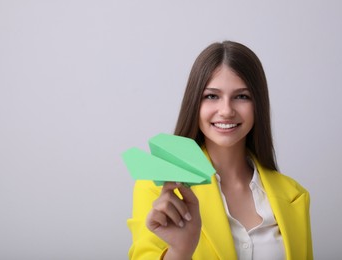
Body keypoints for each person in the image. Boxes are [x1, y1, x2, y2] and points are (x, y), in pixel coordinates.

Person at [127, 40, 313, 259]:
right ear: (194, 103)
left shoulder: (294, 195)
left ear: (258, 105)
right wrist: (179, 251)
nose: (226, 111)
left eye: (241, 96)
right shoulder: (158, 188)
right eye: (211, 96)